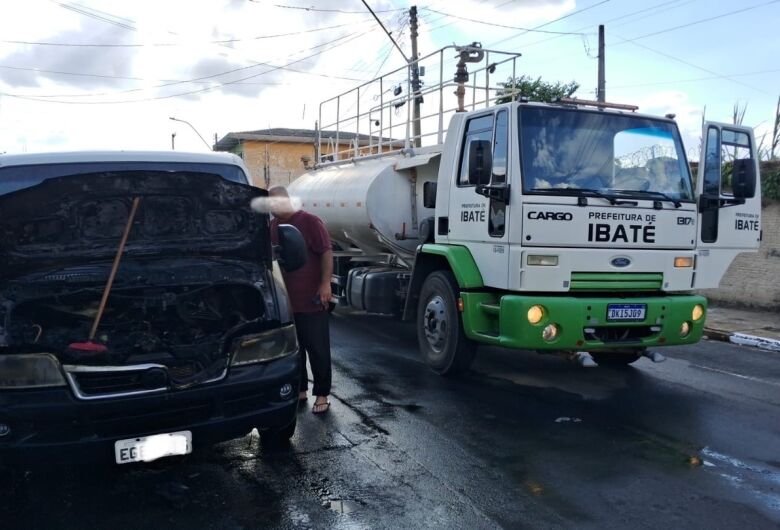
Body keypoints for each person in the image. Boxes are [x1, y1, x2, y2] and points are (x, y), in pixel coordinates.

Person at [268, 186, 333, 414]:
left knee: (317, 348)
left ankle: (323, 393)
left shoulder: (310, 222)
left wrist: (325, 284)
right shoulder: (273, 227)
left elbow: (326, 252)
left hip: (311, 298)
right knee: (294, 350)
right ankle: (301, 389)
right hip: (286, 302)